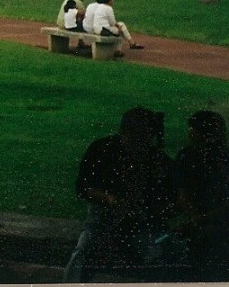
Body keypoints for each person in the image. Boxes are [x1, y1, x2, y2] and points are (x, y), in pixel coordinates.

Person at [64, 107, 175, 281]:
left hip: (141, 220)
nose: (138, 146)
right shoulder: (102, 149)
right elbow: (83, 188)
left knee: (158, 254)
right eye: (134, 139)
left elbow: (169, 202)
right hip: (104, 216)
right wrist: (110, 199)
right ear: (123, 132)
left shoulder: (158, 160)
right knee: (83, 251)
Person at [173, 110, 229, 280]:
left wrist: (199, 219)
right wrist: (198, 218)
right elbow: (181, 193)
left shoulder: (187, 155)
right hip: (202, 221)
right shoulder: (186, 155)